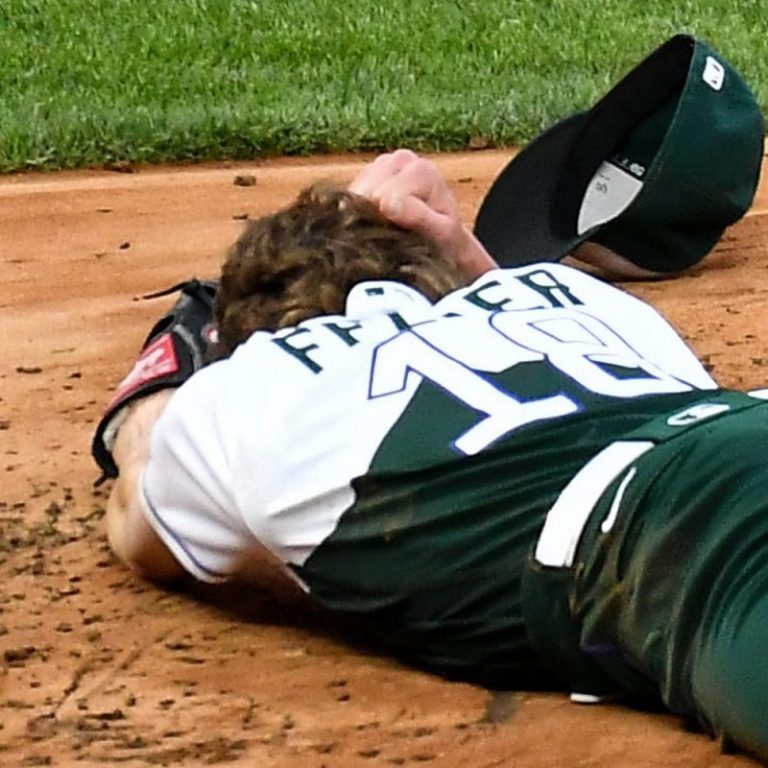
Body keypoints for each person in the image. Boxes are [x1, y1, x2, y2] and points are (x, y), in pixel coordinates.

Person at [94, 150, 768, 762]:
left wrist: (163, 374)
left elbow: (139, 520)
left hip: (686, 545)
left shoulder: (246, 389)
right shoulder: (585, 301)